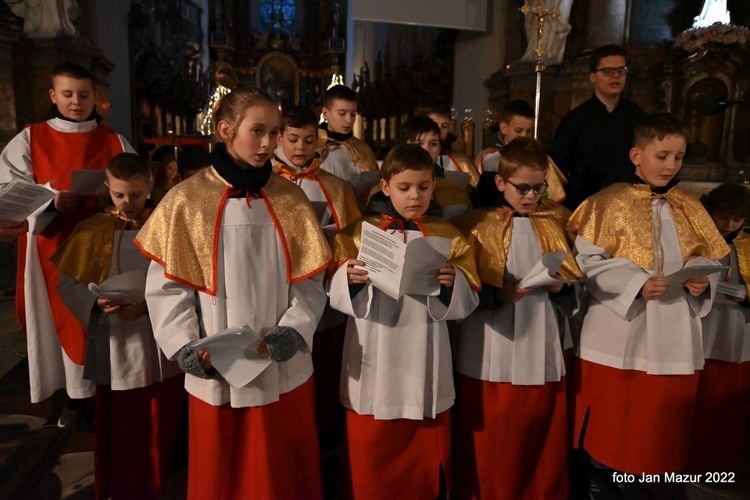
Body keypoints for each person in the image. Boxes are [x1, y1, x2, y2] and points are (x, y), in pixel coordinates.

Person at [136, 84, 331, 499]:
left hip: (281, 363)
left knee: (282, 472)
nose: (268, 143)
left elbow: (311, 280)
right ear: (226, 130)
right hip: (216, 362)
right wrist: (185, 346)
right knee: (222, 473)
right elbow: (166, 288)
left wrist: (294, 330)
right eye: (257, 131)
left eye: (274, 133)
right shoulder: (186, 201)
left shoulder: (291, 200)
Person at [567, 112, 728, 496]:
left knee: (662, 433)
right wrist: (636, 283)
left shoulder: (690, 205)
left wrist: (703, 280)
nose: (670, 165)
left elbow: (712, 259)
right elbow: (587, 262)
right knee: (617, 428)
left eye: (678, 157)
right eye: (662, 156)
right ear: (636, 155)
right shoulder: (607, 202)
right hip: (620, 332)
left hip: (675, 331)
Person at [328, 144, 480, 499]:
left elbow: (469, 295)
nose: (415, 196)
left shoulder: (449, 234)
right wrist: (347, 278)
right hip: (375, 343)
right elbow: (332, 289)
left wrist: (451, 283)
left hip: (423, 343)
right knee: (373, 443)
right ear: (385, 186)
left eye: (424, 187)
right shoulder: (358, 232)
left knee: (422, 440)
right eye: (405, 187)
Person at [0, 62, 134, 423]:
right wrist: (51, 200)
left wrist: (111, 199)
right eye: (68, 94)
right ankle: (74, 396)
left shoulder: (113, 141)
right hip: (51, 242)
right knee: (62, 317)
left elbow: (137, 182)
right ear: (53, 96)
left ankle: (101, 392)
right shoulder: (31, 138)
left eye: (84, 95)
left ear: (95, 98)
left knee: (97, 315)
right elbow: (9, 188)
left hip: (102, 243)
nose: (76, 102)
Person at [454, 137, 581, 499]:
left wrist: (561, 288)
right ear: (500, 182)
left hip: (540, 334)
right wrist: (498, 293)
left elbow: (573, 281)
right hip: (490, 340)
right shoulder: (476, 225)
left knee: (537, 425)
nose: (530, 196)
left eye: (538, 188)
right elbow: (460, 287)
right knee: (493, 433)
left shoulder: (553, 224)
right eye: (522, 187)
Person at [52, 153, 184, 500]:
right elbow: (68, 284)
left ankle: (161, 484)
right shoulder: (93, 229)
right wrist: (94, 302)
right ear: (107, 188)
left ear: (151, 186)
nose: (128, 203)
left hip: (157, 341)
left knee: (160, 423)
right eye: (120, 195)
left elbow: (186, 281)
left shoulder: (167, 227)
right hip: (115, 343)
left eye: (137, 195)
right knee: (123, 428)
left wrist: (145, 306)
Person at [272, 104, 360, 492]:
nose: (301, 147)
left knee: (324, 372)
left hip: (326, 290)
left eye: (309, 140)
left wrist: (331, 242)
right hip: (282, 291)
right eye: (292, 139)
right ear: (278, 139)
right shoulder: (267, 185)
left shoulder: (336, 187)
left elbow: (355, 238)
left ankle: (325, 447)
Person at [685, 183, 750, 475]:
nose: (729, 224)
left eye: (737, 218)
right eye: (723, 215)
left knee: (728, 409)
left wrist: (744, 295)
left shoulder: (747, 245)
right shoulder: (695, 241)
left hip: (738, 331)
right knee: (695, 404)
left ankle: (721, 466)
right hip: (701, 328)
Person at [553, 44, 645, 209]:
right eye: (608, 71)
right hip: (583, 205)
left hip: (629, 204)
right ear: (593, 76)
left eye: (620, 70)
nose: (615, 76)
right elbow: (559, 171)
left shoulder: (639, 117)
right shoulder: (574, 120)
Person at [368, 116, 470, 221]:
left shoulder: (455, 190)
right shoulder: (378, 199)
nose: (427, 149)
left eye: (433, 144)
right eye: (419, 144)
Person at [475, 100, 567, 204]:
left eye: (529, 131)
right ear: (504, 128)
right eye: (518, 131)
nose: (524, 136)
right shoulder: (490, 158)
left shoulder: (540, 159)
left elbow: (551, 198)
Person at [318, 84, 378, 186]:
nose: (349, 120)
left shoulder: (362, 148)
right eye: (342, 113)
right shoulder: (312, 145)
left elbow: (374, 186)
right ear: (325, 113)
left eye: (353, 114)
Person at [415, 99, 481, 187]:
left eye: (444, 126)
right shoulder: (409, 156)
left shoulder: (459, 159)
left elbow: (476, 186)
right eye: (434, 124)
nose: (439, 130)